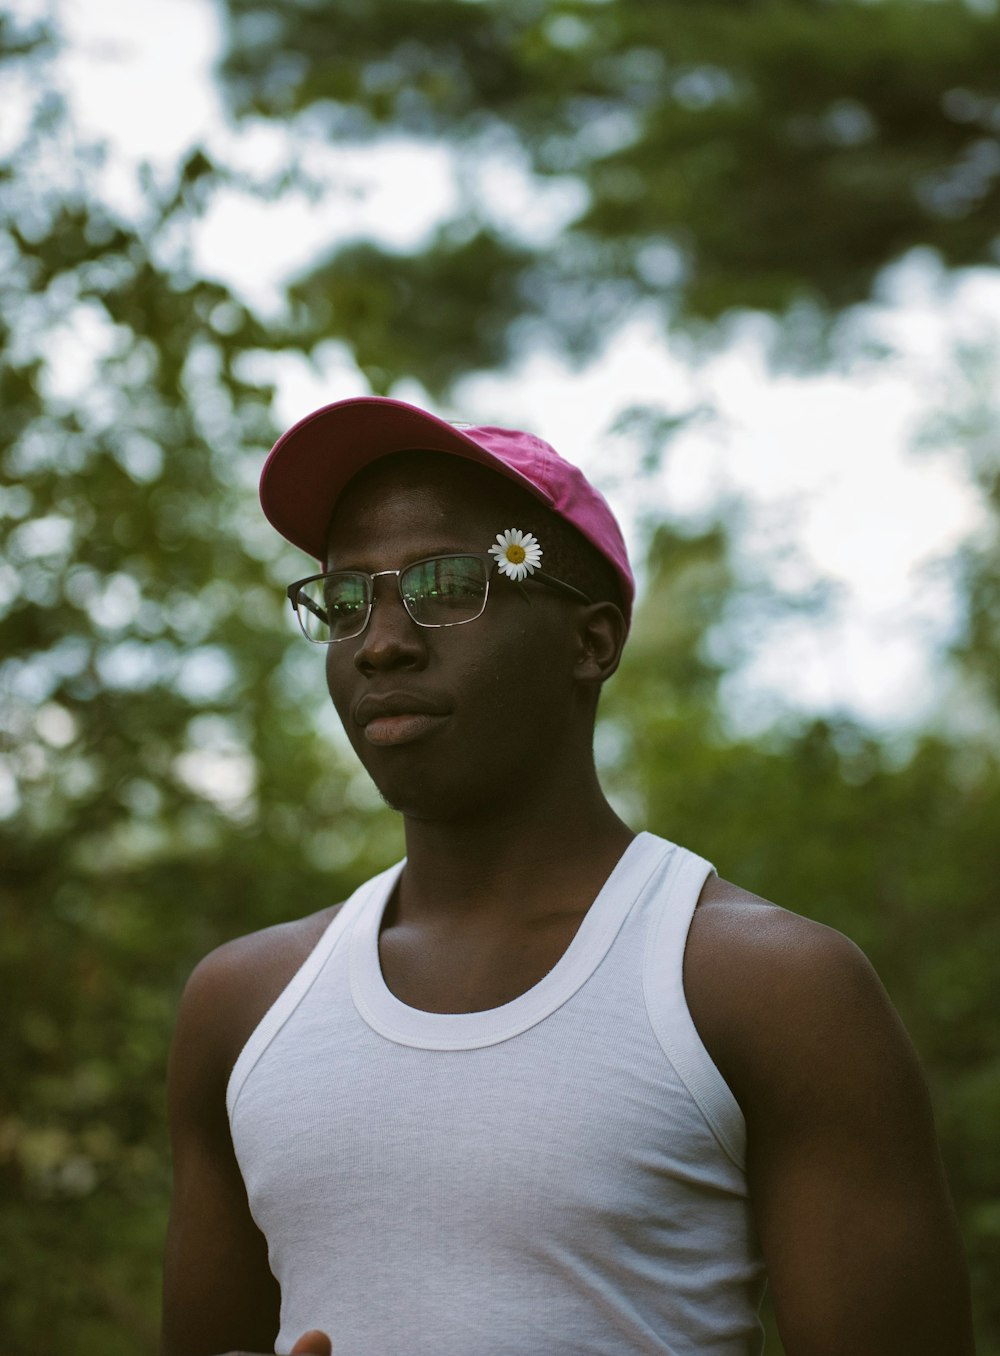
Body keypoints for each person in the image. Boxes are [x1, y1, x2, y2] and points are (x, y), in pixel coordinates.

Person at [161, 396, 975, 1356]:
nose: (381, 641)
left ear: (592, 642)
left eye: (446, 585)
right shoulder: (244, 1006)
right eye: (346, 599)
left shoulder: (771, 991)